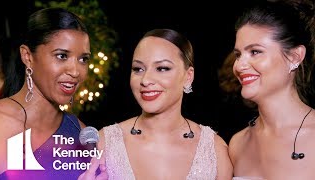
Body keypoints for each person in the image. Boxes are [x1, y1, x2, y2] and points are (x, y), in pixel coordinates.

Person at [81, 28, 233, 179]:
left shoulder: (214, 151)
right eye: (138, 69)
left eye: (162, 68)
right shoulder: (103, 144)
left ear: (188, 76)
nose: (146, 80)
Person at [0, 7, 93, 179]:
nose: (76, 71)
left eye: (83, 59)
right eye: (62, 56)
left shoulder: (81, 135)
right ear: (27, 56)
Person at [229, 0, 315, 179]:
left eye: (255, 52)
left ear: (294, 57)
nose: (239, 65)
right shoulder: (237, 144)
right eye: (238, 55)